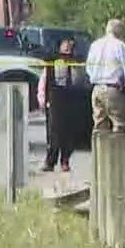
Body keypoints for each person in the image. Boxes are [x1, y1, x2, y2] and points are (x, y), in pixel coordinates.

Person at [38, 35, 90, 171]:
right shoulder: (52, 62)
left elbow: (83, 81)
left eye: (70, 45)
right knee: (53, 133)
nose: (68, 47)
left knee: (69, 133)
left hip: (72, 99)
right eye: (65, 44)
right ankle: (50, 162)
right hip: (55, 99)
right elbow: (44, 82)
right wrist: (42, 99)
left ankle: (65, 161)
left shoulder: (78, 62)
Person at [86, 17, 125, 134]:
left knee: (99, 125)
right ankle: (116, 151)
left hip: (97, 89)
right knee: (119, 125)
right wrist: (122, 78)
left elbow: (88, 68)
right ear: (119, 31)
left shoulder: (95, 45)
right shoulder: (120, 46)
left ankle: (100, 151)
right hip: (113, 89)